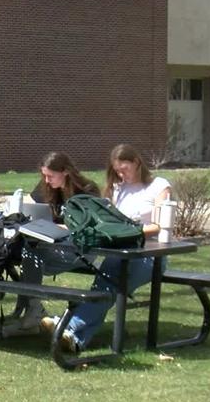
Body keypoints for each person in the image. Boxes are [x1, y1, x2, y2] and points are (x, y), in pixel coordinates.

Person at [57, 143, 170, 354]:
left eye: (124, 169)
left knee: (111, 287)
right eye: (117, 170)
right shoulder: (119, 189)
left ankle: (69, 326)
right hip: (121, 252)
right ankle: (75, 337)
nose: (121, 174)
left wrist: (130, 232)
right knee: (105, 286)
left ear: (136, 163)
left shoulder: (159, 186)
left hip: (151, 257)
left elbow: (159, 226)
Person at [29, 150, 99, 222]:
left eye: (51, 176)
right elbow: (32, 205)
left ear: (66, 171)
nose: (47, 180)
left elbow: (91, 221)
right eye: (44, 176)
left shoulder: (87, 190)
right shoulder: (47, 186)